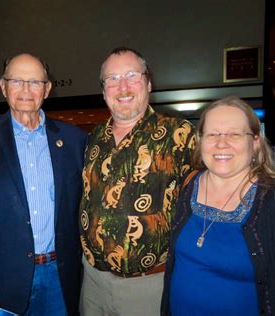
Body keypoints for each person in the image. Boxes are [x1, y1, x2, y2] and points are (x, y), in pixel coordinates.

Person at [161, 96, 275, 315]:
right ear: (200, 140)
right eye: (212, 134)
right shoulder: (187, 187)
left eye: (234, 134)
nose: (221, 143)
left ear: (254, 142)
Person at [0, 53, 87, 316]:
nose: (26, 90)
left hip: (61, 277)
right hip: (2, 279)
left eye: (35, 82)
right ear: (3, 86)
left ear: (47, 88)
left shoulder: (74, 140)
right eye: (17, 81)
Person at [79, 47, 195, 315]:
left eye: (132, 75)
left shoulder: (180, 134)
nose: (123, 86)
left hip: (147, 286)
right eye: (112, 78)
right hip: (92, 280)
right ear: (103, 89)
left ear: (148, 82)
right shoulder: (94, 137)